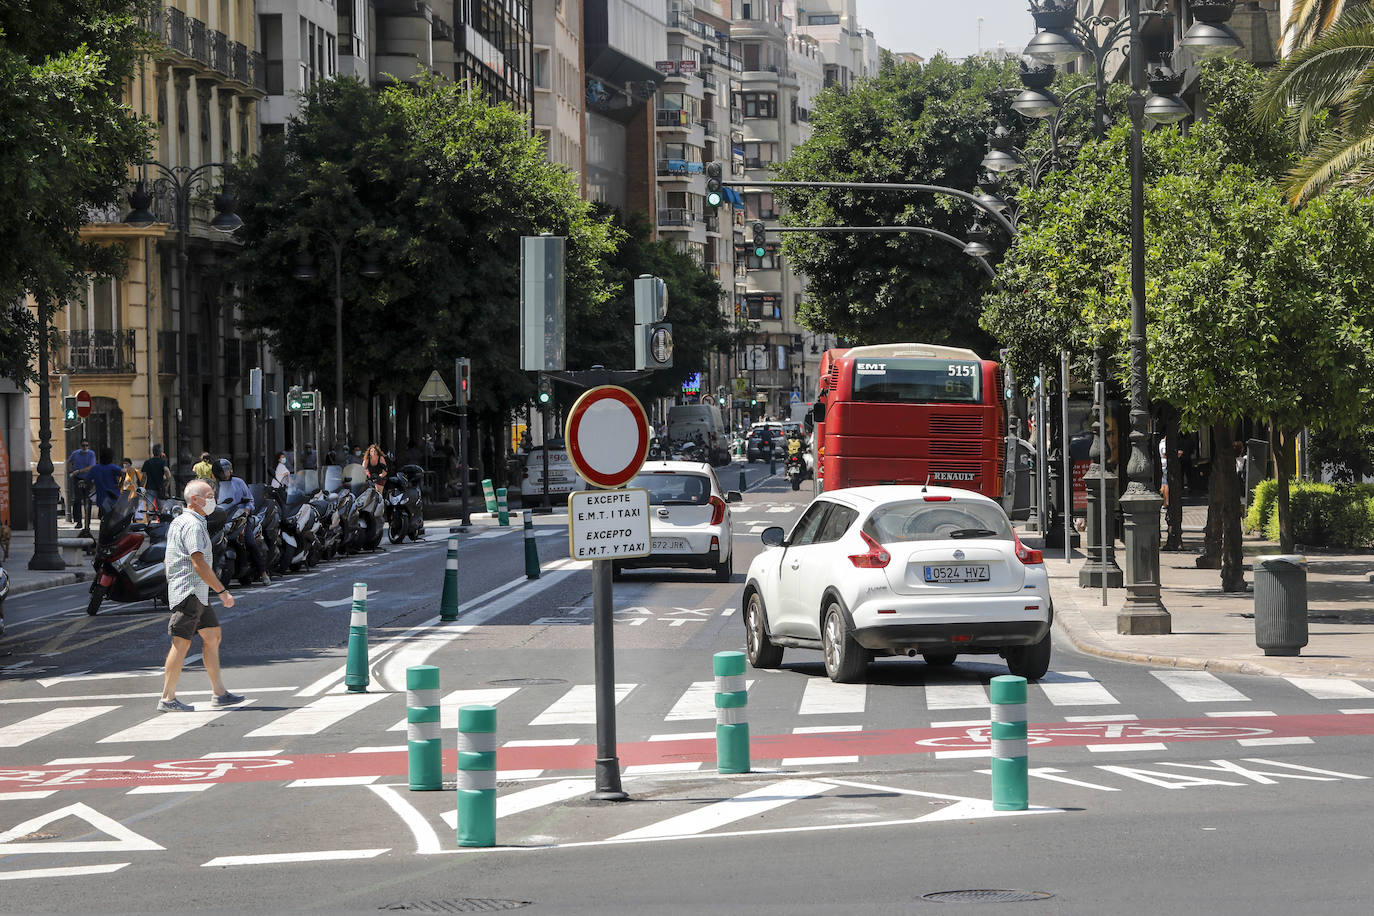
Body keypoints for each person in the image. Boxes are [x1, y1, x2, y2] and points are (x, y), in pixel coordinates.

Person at [158, 478, 243, 713]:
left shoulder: (179, 521)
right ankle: (167, 698)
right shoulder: (194, 526)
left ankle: (220, 693)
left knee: (213, 635)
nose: (212, 499)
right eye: (208, 495)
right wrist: (223, 591)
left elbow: (168, 558)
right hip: (190, 591)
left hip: (196, 592)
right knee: (181, 643)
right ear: (194, 500)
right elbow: (199, 563)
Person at [66, 438, 96, 529]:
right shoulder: (75, 453)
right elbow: (68, 462)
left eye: (86, 445)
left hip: (88, 479)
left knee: (88, 500)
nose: (85, 447)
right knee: (77, 500)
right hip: (77, 478)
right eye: (83, 445)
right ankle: (78, 521)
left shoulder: (91, 454)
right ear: (80, 446)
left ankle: (88, 523)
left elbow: (91, 467)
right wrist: (71, 470)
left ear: (88, 446)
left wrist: (78, 471)